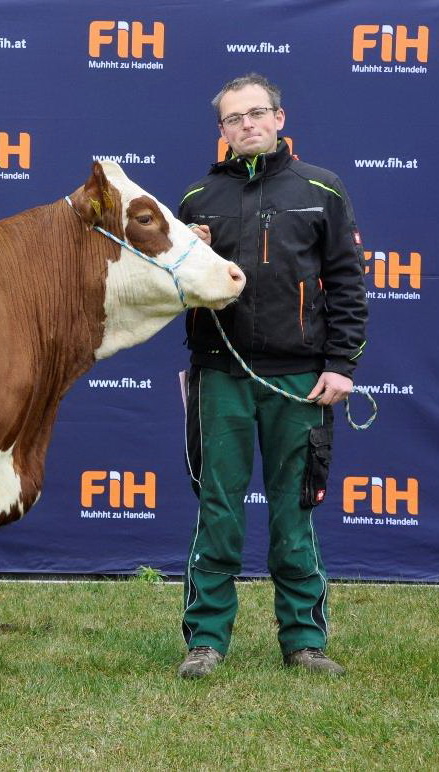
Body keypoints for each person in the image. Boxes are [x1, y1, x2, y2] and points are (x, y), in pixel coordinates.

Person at [175, 73, 368, 678]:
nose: (247, 125)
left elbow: (346, 284)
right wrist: (190, 254)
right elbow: (172, 293)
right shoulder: (194, 201)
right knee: (219, 510)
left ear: (280, 119)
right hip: (221, 375)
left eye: (257, 113)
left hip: (301, 380)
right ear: (222, 132)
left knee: (294, 512)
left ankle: (305, 642)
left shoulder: (322, 189)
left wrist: (341, 367)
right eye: (234, 119)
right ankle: (205, 641)